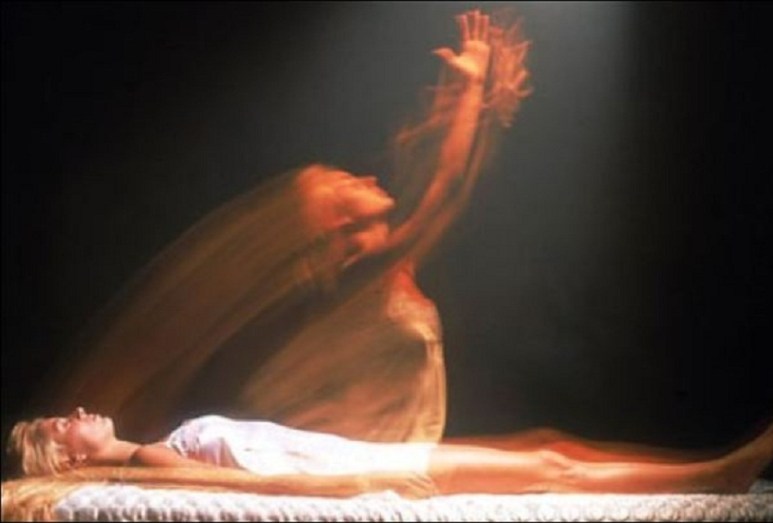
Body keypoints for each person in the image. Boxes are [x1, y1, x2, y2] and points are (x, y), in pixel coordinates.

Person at [40, 9, 531, 445]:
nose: (364, 177)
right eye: (344, 185)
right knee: (546, 459)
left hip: (381, 462)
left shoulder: (383, 273)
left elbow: (438, 184)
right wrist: (471, 91)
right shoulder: (342, 282)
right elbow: (442, 195)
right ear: (337, 227)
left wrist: (477, 110)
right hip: (352, 471)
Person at [6, 406, 773, 496]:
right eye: (59, 424)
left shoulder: (160, 444)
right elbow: (262, 489)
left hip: (372, 451)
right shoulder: (151, 462)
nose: (76, 411)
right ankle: (716, 476)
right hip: (377, 468)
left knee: (552, 455)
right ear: (65, 459)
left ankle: (713, 471)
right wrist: (368, 481)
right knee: (553, 468)